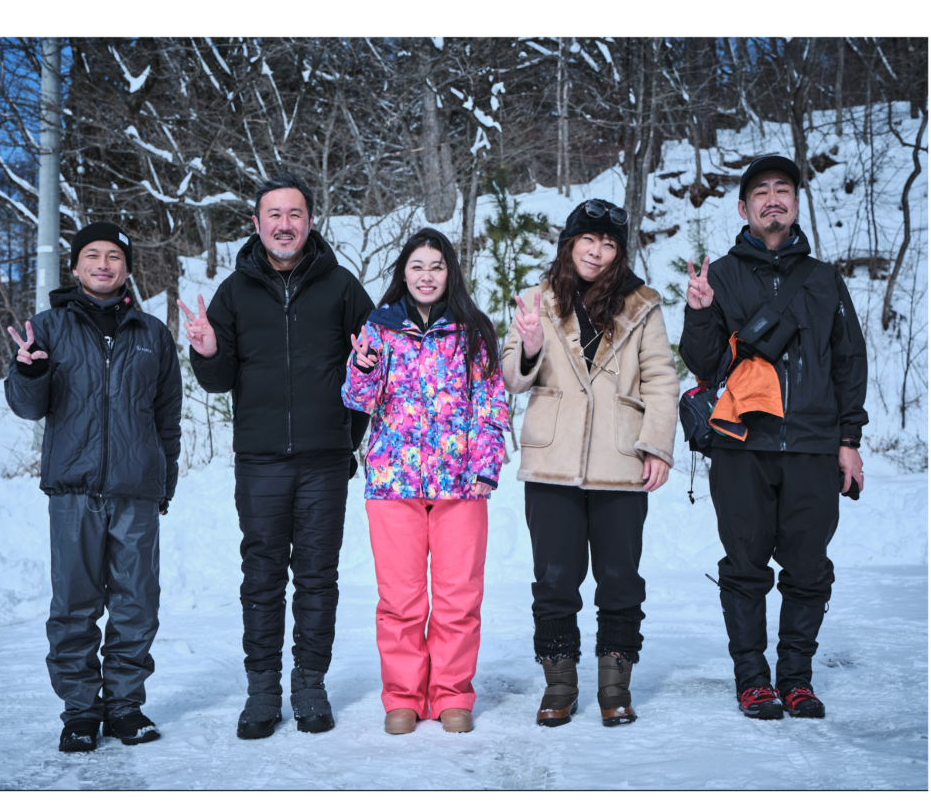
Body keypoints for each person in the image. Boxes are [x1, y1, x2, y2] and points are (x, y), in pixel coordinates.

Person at [179, 172, 373, 738]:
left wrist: (347, 438)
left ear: (309, 222)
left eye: (294, 214)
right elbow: (218, 380)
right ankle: (261, 691)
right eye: (274, 215)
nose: (284, 225)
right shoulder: (234, 292)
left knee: (317, 576)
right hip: (260, 460)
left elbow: (369, 371)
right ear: (257, 223)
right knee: (261, 577)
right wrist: (206, 351)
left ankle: (310, 685)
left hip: (324, 460)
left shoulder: (341, 287)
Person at [679, 155, 867, 720]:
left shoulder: (825, 279)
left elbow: (849, 361)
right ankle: (753, 680)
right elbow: (702, 364)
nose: (772, 199)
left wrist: (849, 439)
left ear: (796, 203)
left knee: (808, 567)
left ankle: (797, 680)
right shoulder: (721, 276)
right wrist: (699, 313)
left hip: (813, 444)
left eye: (782, 189)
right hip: (742, 444)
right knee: (745, 566)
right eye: (760, 192)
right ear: (744, 209)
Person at [4, 221, 183, 753]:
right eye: (92, 255)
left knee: (136, 603)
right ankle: (81, 711)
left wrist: (163, 483)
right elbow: (27, 407)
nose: (103, 264)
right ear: (75, 266)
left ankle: (125, 707)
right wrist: (28, 373)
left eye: (114, 256)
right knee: (74, 605)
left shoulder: (152, 334)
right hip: (73, 491)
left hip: (136, 491)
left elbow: (168, 418)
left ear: (127, 268)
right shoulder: (47, 328)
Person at [501, 200, 679, 728]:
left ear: (619, 252)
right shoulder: (536, 300)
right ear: (569, 243)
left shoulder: (642, 305)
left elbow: (661, 380)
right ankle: (559, 685)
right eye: (588, 240)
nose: (597, 252)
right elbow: (511, 376)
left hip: (620, 461)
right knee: (554, 578)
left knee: (619, 577)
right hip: (551, 461)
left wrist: (657, 446)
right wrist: (530, 346)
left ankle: (614, 687)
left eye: (608, 244)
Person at [341, 228, 509, 735]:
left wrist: (486, 465)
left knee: (459, 597)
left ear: (450, 272)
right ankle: (403, 696)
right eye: (418, 266)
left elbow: (491, 402)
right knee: (400, 600)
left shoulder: (474, 329)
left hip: (461, 484)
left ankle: (453, 693)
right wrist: (362, 366)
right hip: (394, 482)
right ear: (404, 273)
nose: (427, 275)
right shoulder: (379, 327)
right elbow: (358, 399)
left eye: (437, 266)